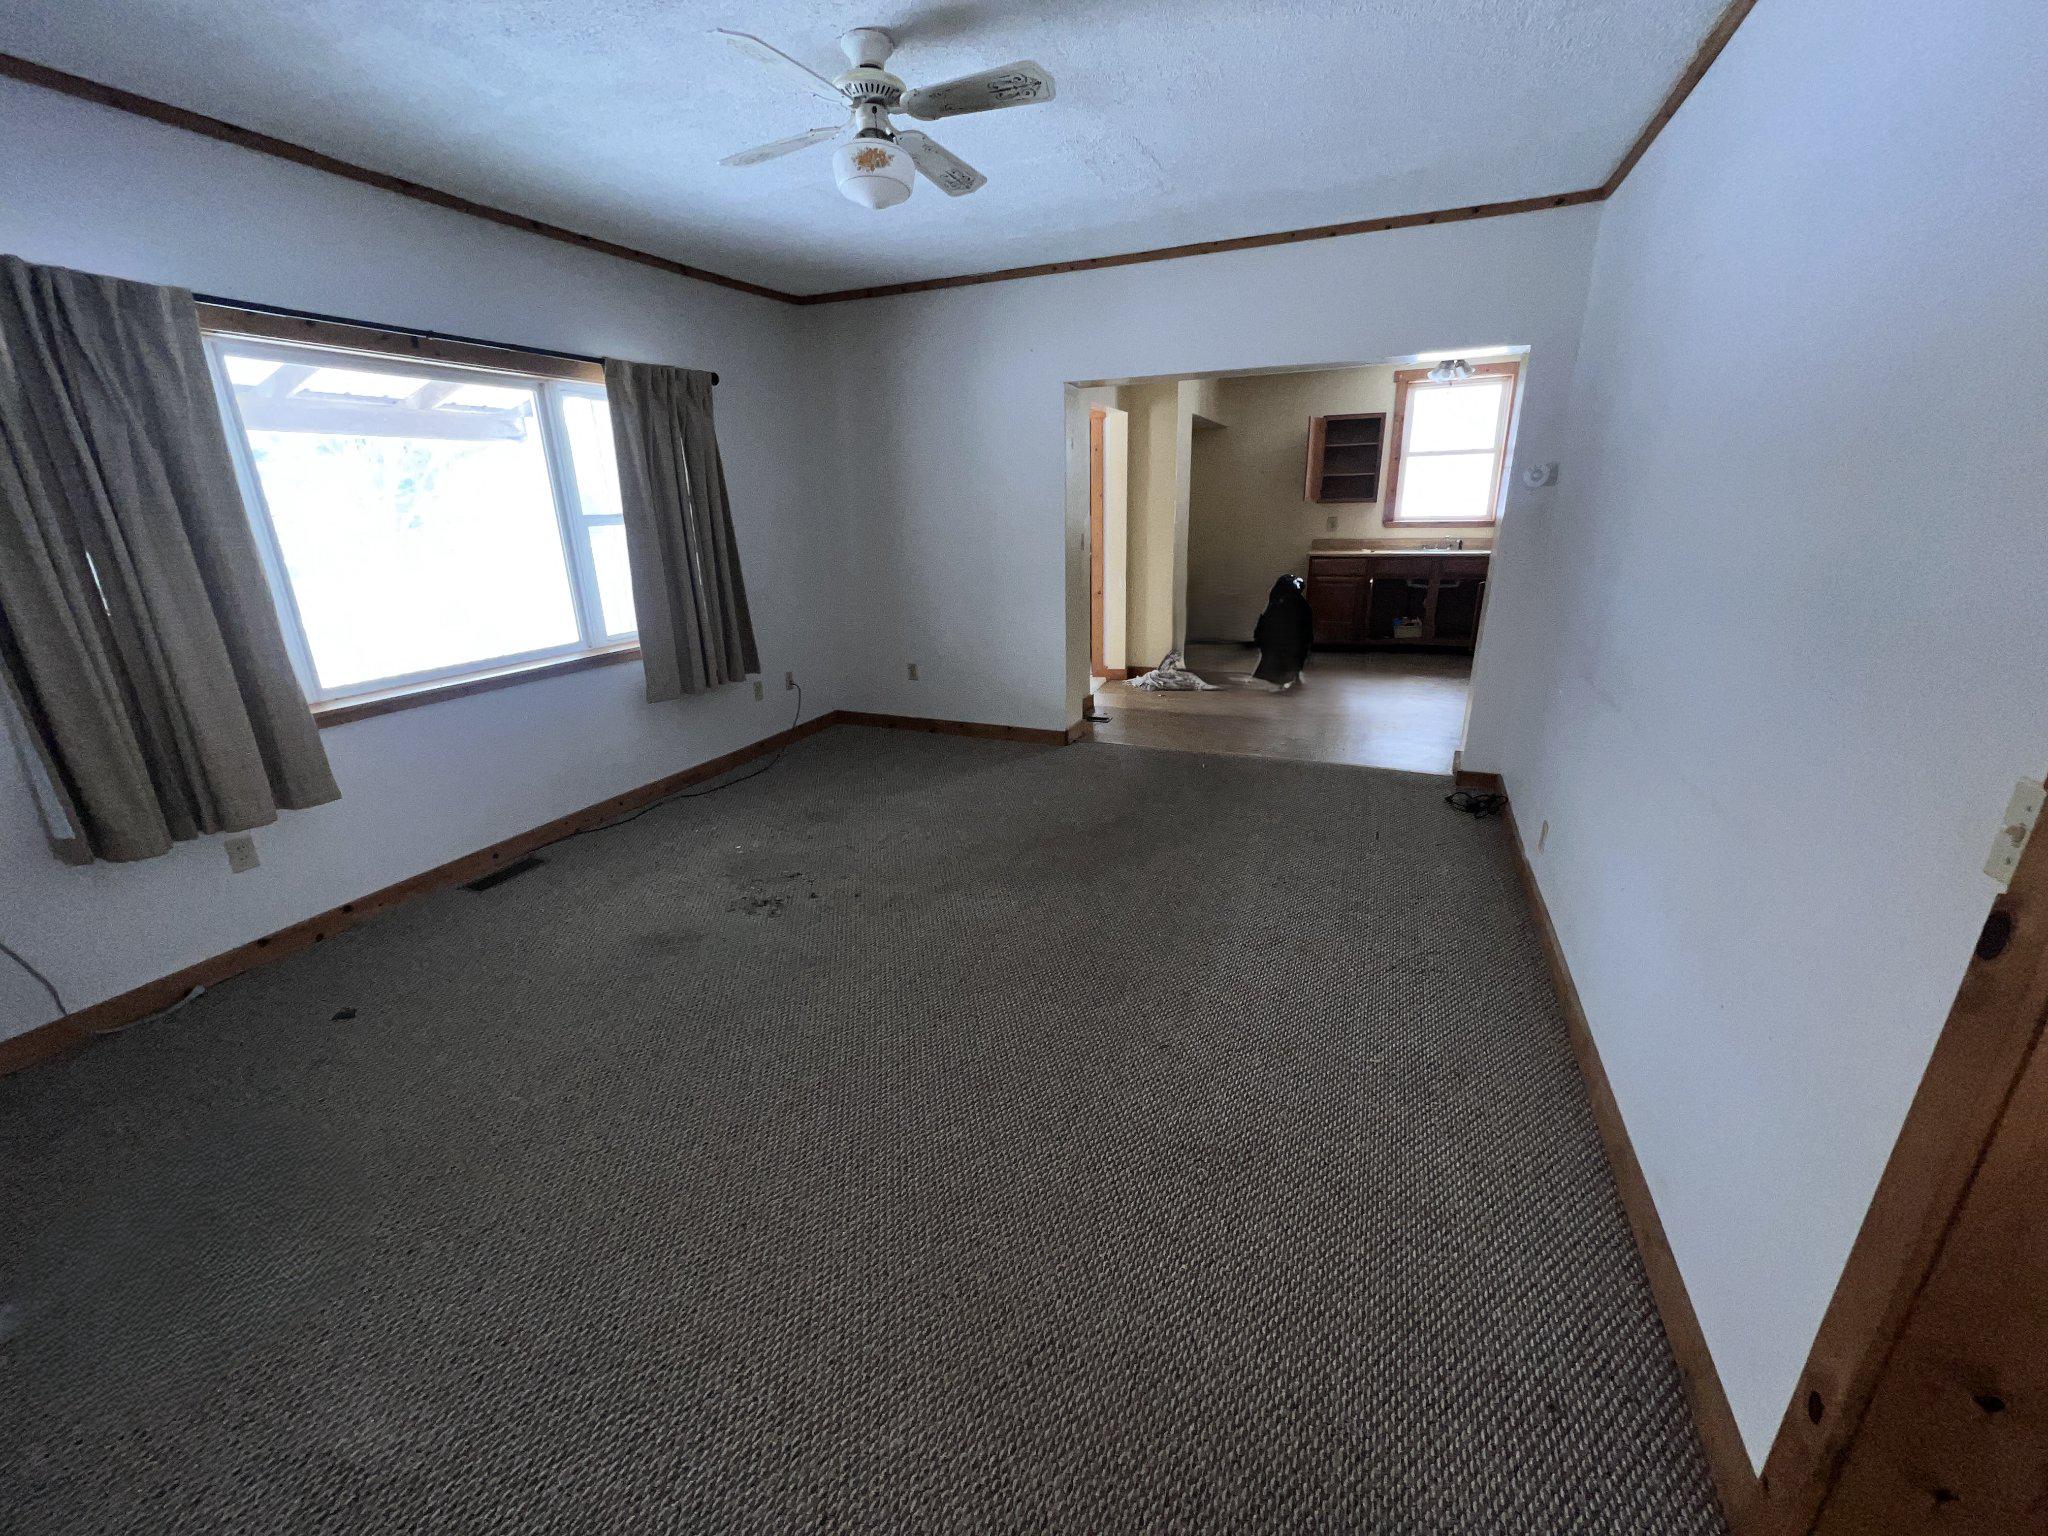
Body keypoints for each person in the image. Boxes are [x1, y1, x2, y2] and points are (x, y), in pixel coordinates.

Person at [1252, 574, 1313, 689]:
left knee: (1283, 659)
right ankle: (1293, 675)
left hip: (1285, 642)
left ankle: (1286, 677)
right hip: (1294, 642)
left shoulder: (1276, 604)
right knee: (1292, 659)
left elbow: (1264, 622)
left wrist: (1259, 637)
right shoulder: (1302, 605)